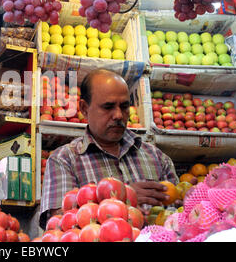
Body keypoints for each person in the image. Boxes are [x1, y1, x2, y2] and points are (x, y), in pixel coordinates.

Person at [39, 69, 179, 229]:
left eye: (124, 106)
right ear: (84, 109)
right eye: (108, 107)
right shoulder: (65, 160)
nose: (119, 115)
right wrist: (124, 198)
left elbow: (179, 217)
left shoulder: (156, 157)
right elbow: (60, 225)